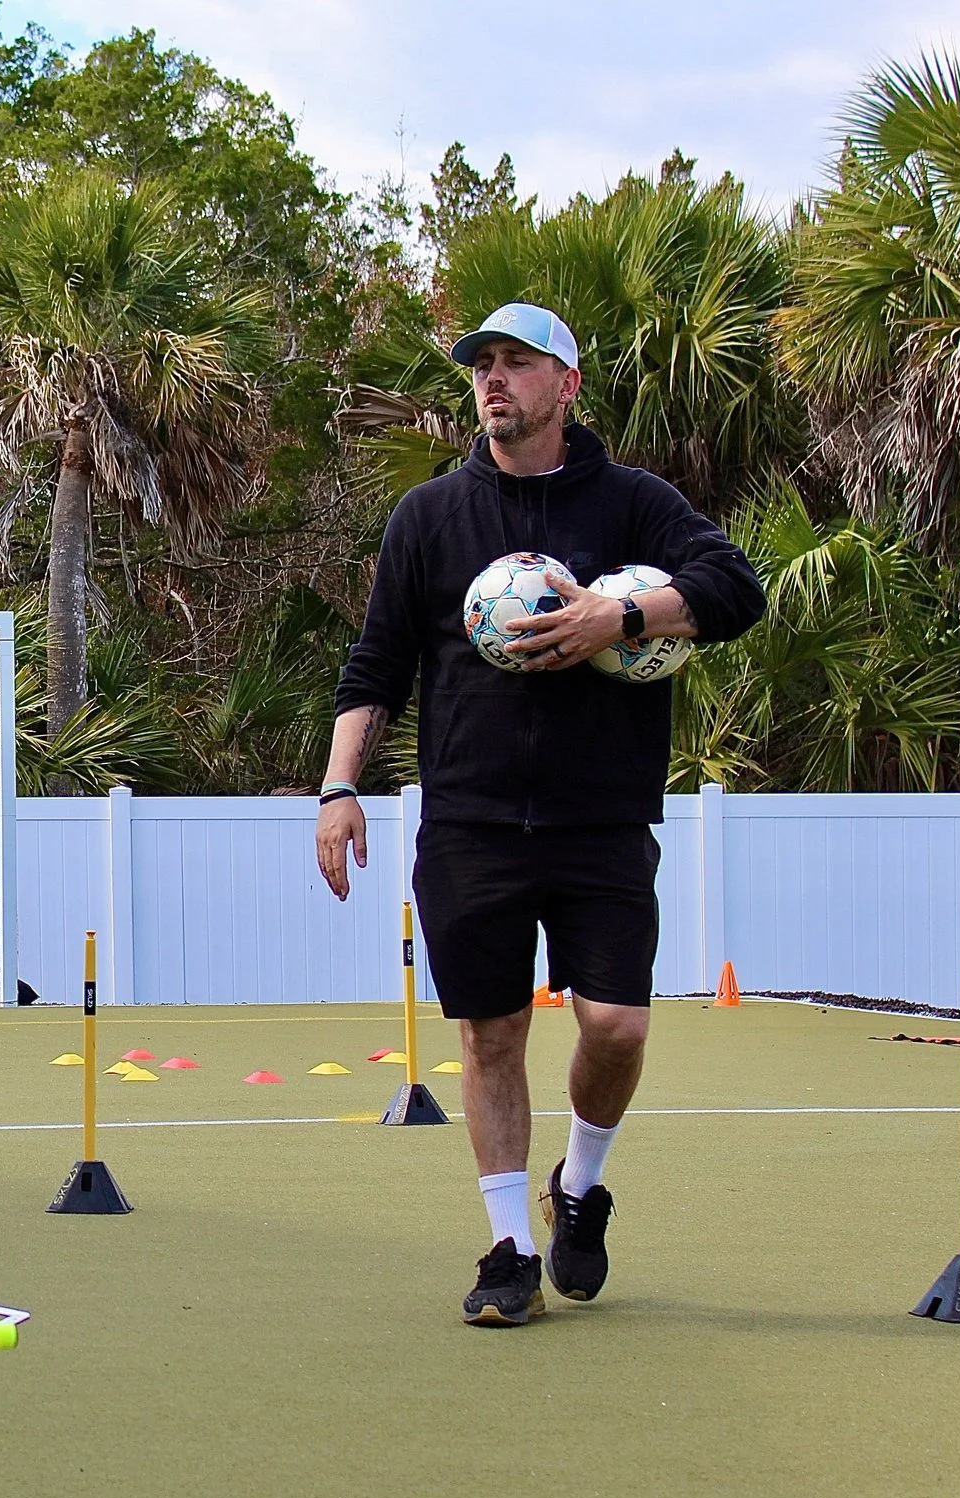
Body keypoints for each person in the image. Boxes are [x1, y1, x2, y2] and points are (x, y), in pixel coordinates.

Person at [315, 302, 764, 1327]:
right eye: (481, 364)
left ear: (565, 384)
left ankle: (580, 1184)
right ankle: (508, 1245)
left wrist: (626, 612)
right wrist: (339, 788)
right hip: (469, 824)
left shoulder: (633, 504)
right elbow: (374, 667)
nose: (492, 380)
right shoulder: (428, 517)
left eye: (516, 363)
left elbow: (734, 589)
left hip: (601, 818)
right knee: (493, 1033)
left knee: (614, 1023)